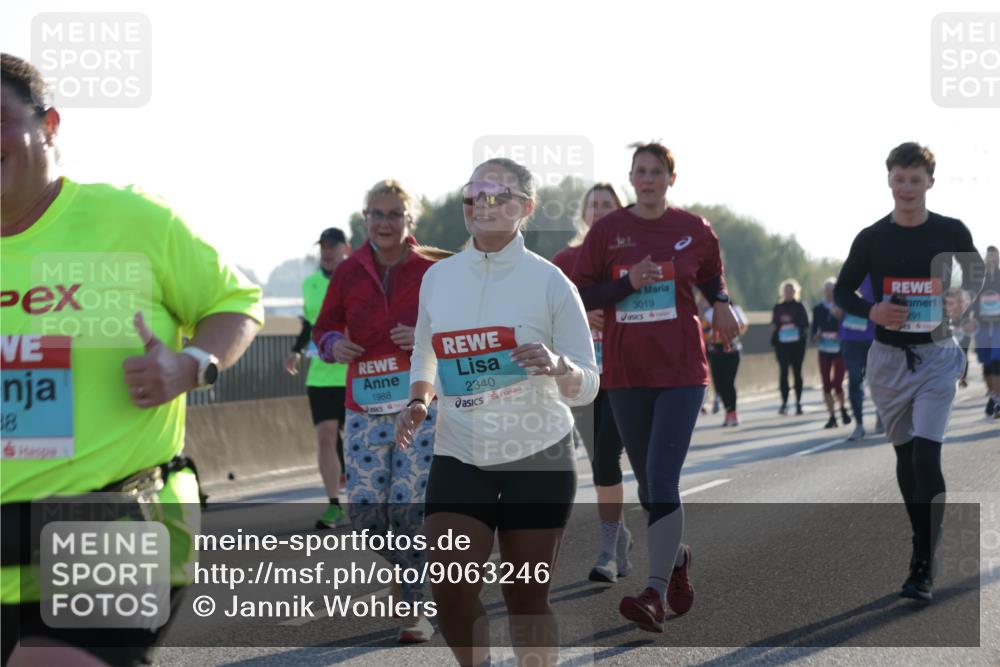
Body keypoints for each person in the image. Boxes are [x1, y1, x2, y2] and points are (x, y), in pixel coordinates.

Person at [0, 53, 263, 666]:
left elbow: (235, 301)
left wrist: (191, 364)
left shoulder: (133, 222)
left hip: (115, 523)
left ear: (50, 125)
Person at [397, 157, 599, 667]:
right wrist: (420, 399)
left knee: (524, 598)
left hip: (538, 455)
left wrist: (557, 366)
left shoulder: (552, 283)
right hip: (460, 451)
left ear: (525, 208)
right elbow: (426, 349)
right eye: (474, 193)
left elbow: (589, 384)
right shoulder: (438, 278)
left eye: (497, 194)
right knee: (448, 588)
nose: (482, 203)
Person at [572, 143, 740, 633]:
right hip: (626, 374)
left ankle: (653, 592)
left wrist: (723, 302)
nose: (647, 179)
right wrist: (626, 283)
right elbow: (581, 291)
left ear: (671, 177)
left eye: (656, 172)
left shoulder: (694, 229)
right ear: (631, 178)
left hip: (683, 371)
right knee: (648, 486)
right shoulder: (607, 232)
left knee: (663, 480)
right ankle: (677, 556)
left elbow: (712, 276)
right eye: (639, 172)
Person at [834, 142, 985, 602]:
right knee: (904, 458)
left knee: (925, 456)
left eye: (915, 180)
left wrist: (963, 298)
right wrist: (873, 309)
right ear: (889, 181)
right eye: (899, 179)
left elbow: (975, 271)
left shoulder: (949, 231)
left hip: (937, 355)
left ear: (929, 183)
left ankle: (923, 562)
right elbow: (843, 293)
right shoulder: (872, 237)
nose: (906, 188)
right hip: (888, 361)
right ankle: (924, 535)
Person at [313, 180, 444, 643]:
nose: (385, 223)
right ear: (365, 218)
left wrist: (428, 337)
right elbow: (323, 327)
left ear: (410, 221)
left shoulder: (434, 268)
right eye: (377, 214)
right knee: (365, 513)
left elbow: (461, 324)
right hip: (364, 405)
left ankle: (414, 605)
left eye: (395, 215)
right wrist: (333, 344)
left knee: (411, 504)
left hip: (418, 402)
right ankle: (413, 568)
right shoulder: (349, 271)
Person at [553, 183, 634, 583]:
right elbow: (547, 315)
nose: (600, 211)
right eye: (593, 205)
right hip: (582, 376)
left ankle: (607, 551)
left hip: (623, 372)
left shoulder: (631, 257)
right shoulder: (566, 259)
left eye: (608, 205)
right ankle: (619, 534)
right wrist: (583, 317)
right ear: (583, 214)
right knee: (596, 459)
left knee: (606, 459)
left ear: (620, 210)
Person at [284, 227, 351, 529]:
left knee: (355, 441)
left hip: (355, 373)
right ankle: (334, 505)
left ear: (344, 249)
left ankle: (368, 498)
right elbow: (311, 324)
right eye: (323, 246)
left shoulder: (356, 280)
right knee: (326, 435)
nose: (327, 251)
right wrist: (296, 352)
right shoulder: (309, 284)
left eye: (332, 245)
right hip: (321, 376)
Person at [838, 275, 884, 440]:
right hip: (850, 340)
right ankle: (859, 424)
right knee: (854, 380)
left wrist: (862, 303)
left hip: (872, 338)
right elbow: (838, 309)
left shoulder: (877, 275)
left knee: (875, 380)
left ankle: (880, 413)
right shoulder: (849, 276)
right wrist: (841, 307)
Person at [702, 293, 749, 426]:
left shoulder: (735, 310)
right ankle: (728, 410)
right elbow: (703, 332)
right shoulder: (709, 314)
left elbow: (743, 327)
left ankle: (733, 412)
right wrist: (715, 335)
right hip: (716, 351)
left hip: (732, 351)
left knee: (729, 382)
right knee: (719, 384)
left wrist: (729, 332)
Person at [811, 278, 851, 429]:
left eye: (832, 289)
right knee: (826, 384)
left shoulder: (843, 307)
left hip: (840, 349)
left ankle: (842, 408)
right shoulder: (818, 309)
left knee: (838, 383)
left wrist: (840, 318)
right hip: (824, 350)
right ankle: (832, 416)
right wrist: (816, 335)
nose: (829, 292)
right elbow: (813, 331)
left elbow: (849, 325)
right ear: (824, 291)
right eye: (827, 289)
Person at [771, 279, 810, 415]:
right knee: (783, 373)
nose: (788, 293)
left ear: (795, 292)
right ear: (783, 292)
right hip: (782, 345)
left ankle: (798, 402)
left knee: (797, 372)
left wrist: (791, 322)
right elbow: (774, 323)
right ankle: (784, 403)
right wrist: (779, 325)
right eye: (786, 290)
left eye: (791, 290)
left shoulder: (800, 306)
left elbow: (805, 324)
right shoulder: (778, 307)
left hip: (797, 345)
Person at [974, 245, 1000, 418]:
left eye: (995, 256)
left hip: (998, 325)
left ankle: (998, 400)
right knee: (986, 364)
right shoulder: (978, 277)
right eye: (989, 255)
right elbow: (971, 298)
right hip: (981, 326)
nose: (992, 258)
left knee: (997, 360)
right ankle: (993, 397)